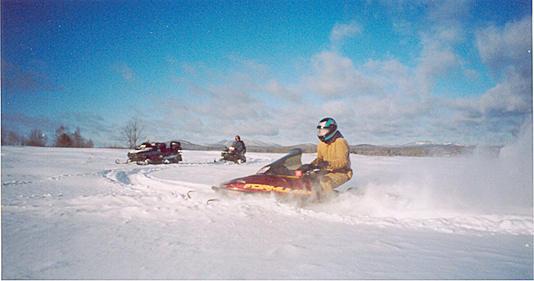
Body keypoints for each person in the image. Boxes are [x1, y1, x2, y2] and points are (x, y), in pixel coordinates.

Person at [308, 117, 352, 196]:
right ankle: (306, 196)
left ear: (331, 130)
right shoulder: (321, 144)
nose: (321, 133)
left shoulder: (340, 142)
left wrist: (326, 164)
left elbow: (343, 162)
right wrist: (310, 165)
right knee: (308, 178)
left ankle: (331, 202)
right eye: (320, 131)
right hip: (327, 171)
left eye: (324, 130)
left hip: (342, 172)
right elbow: (319, 159)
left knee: (324, 182)